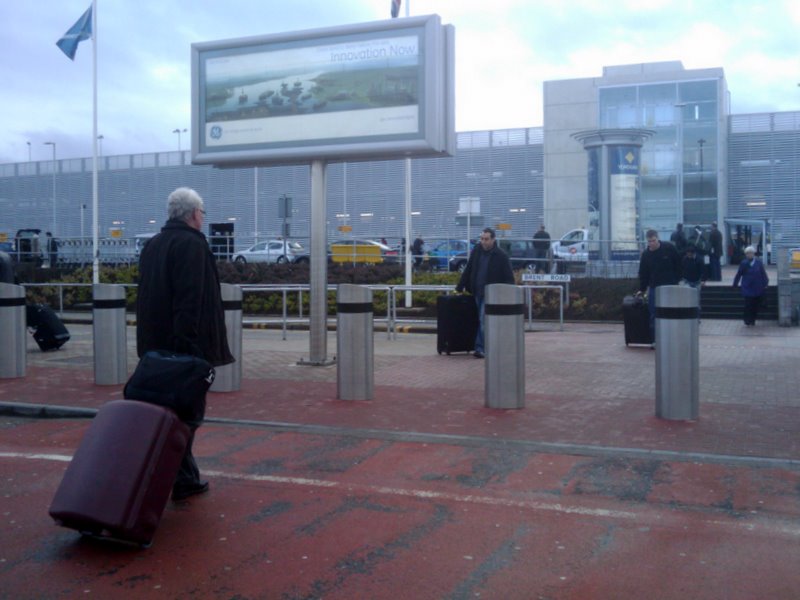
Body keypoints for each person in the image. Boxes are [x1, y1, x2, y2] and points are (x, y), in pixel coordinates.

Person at [136, 187, 234, 501]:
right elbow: (191, 300)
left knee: (165, 412)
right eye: (202, 212)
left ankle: (180, 475)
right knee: (187, 414)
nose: (203, 218)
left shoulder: (154, 244)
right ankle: (179, 478)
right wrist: (190, 348)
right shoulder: (192, 245)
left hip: (154, 348)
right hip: (183, 348)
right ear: (193, 214)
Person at [455, 227, 515, 358]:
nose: (483, 242)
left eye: (486, 239)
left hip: (491, 294)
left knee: (483, 321)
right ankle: (487, 346)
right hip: (477, 292)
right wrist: (460, 287)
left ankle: (480, 347)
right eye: (482, 239)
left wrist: (507, 293)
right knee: (481, 320)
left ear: (493, 240)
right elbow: (469, 268)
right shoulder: (477, 251)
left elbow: (509, 277)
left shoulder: (501, 256)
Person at [637, 229, 681, 340]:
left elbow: (678, 264)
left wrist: (677, 280)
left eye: (653, 240)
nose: (652, 243)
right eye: (649, 241)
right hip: (654, 287)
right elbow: (643, 273)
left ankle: (672, 337)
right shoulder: (646, 255)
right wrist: (642, 289)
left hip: (670, 286)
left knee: (671, 312)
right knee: (654, 314)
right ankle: (655, 339)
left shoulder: (669, 248)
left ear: (658, 238)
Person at [732, 245, 769, 326]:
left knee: (755, 305)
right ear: (746, 254)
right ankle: (747, 319)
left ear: (753, 254)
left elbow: (763, 273)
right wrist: (735, 284)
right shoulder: (743, 263)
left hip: (757, 287)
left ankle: (753, 319)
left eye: (751, 253)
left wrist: (765, 283)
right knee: (748, 304)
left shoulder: (758, 263)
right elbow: (739, 274)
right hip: (747, 287)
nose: (749, 255)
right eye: (747, 253)